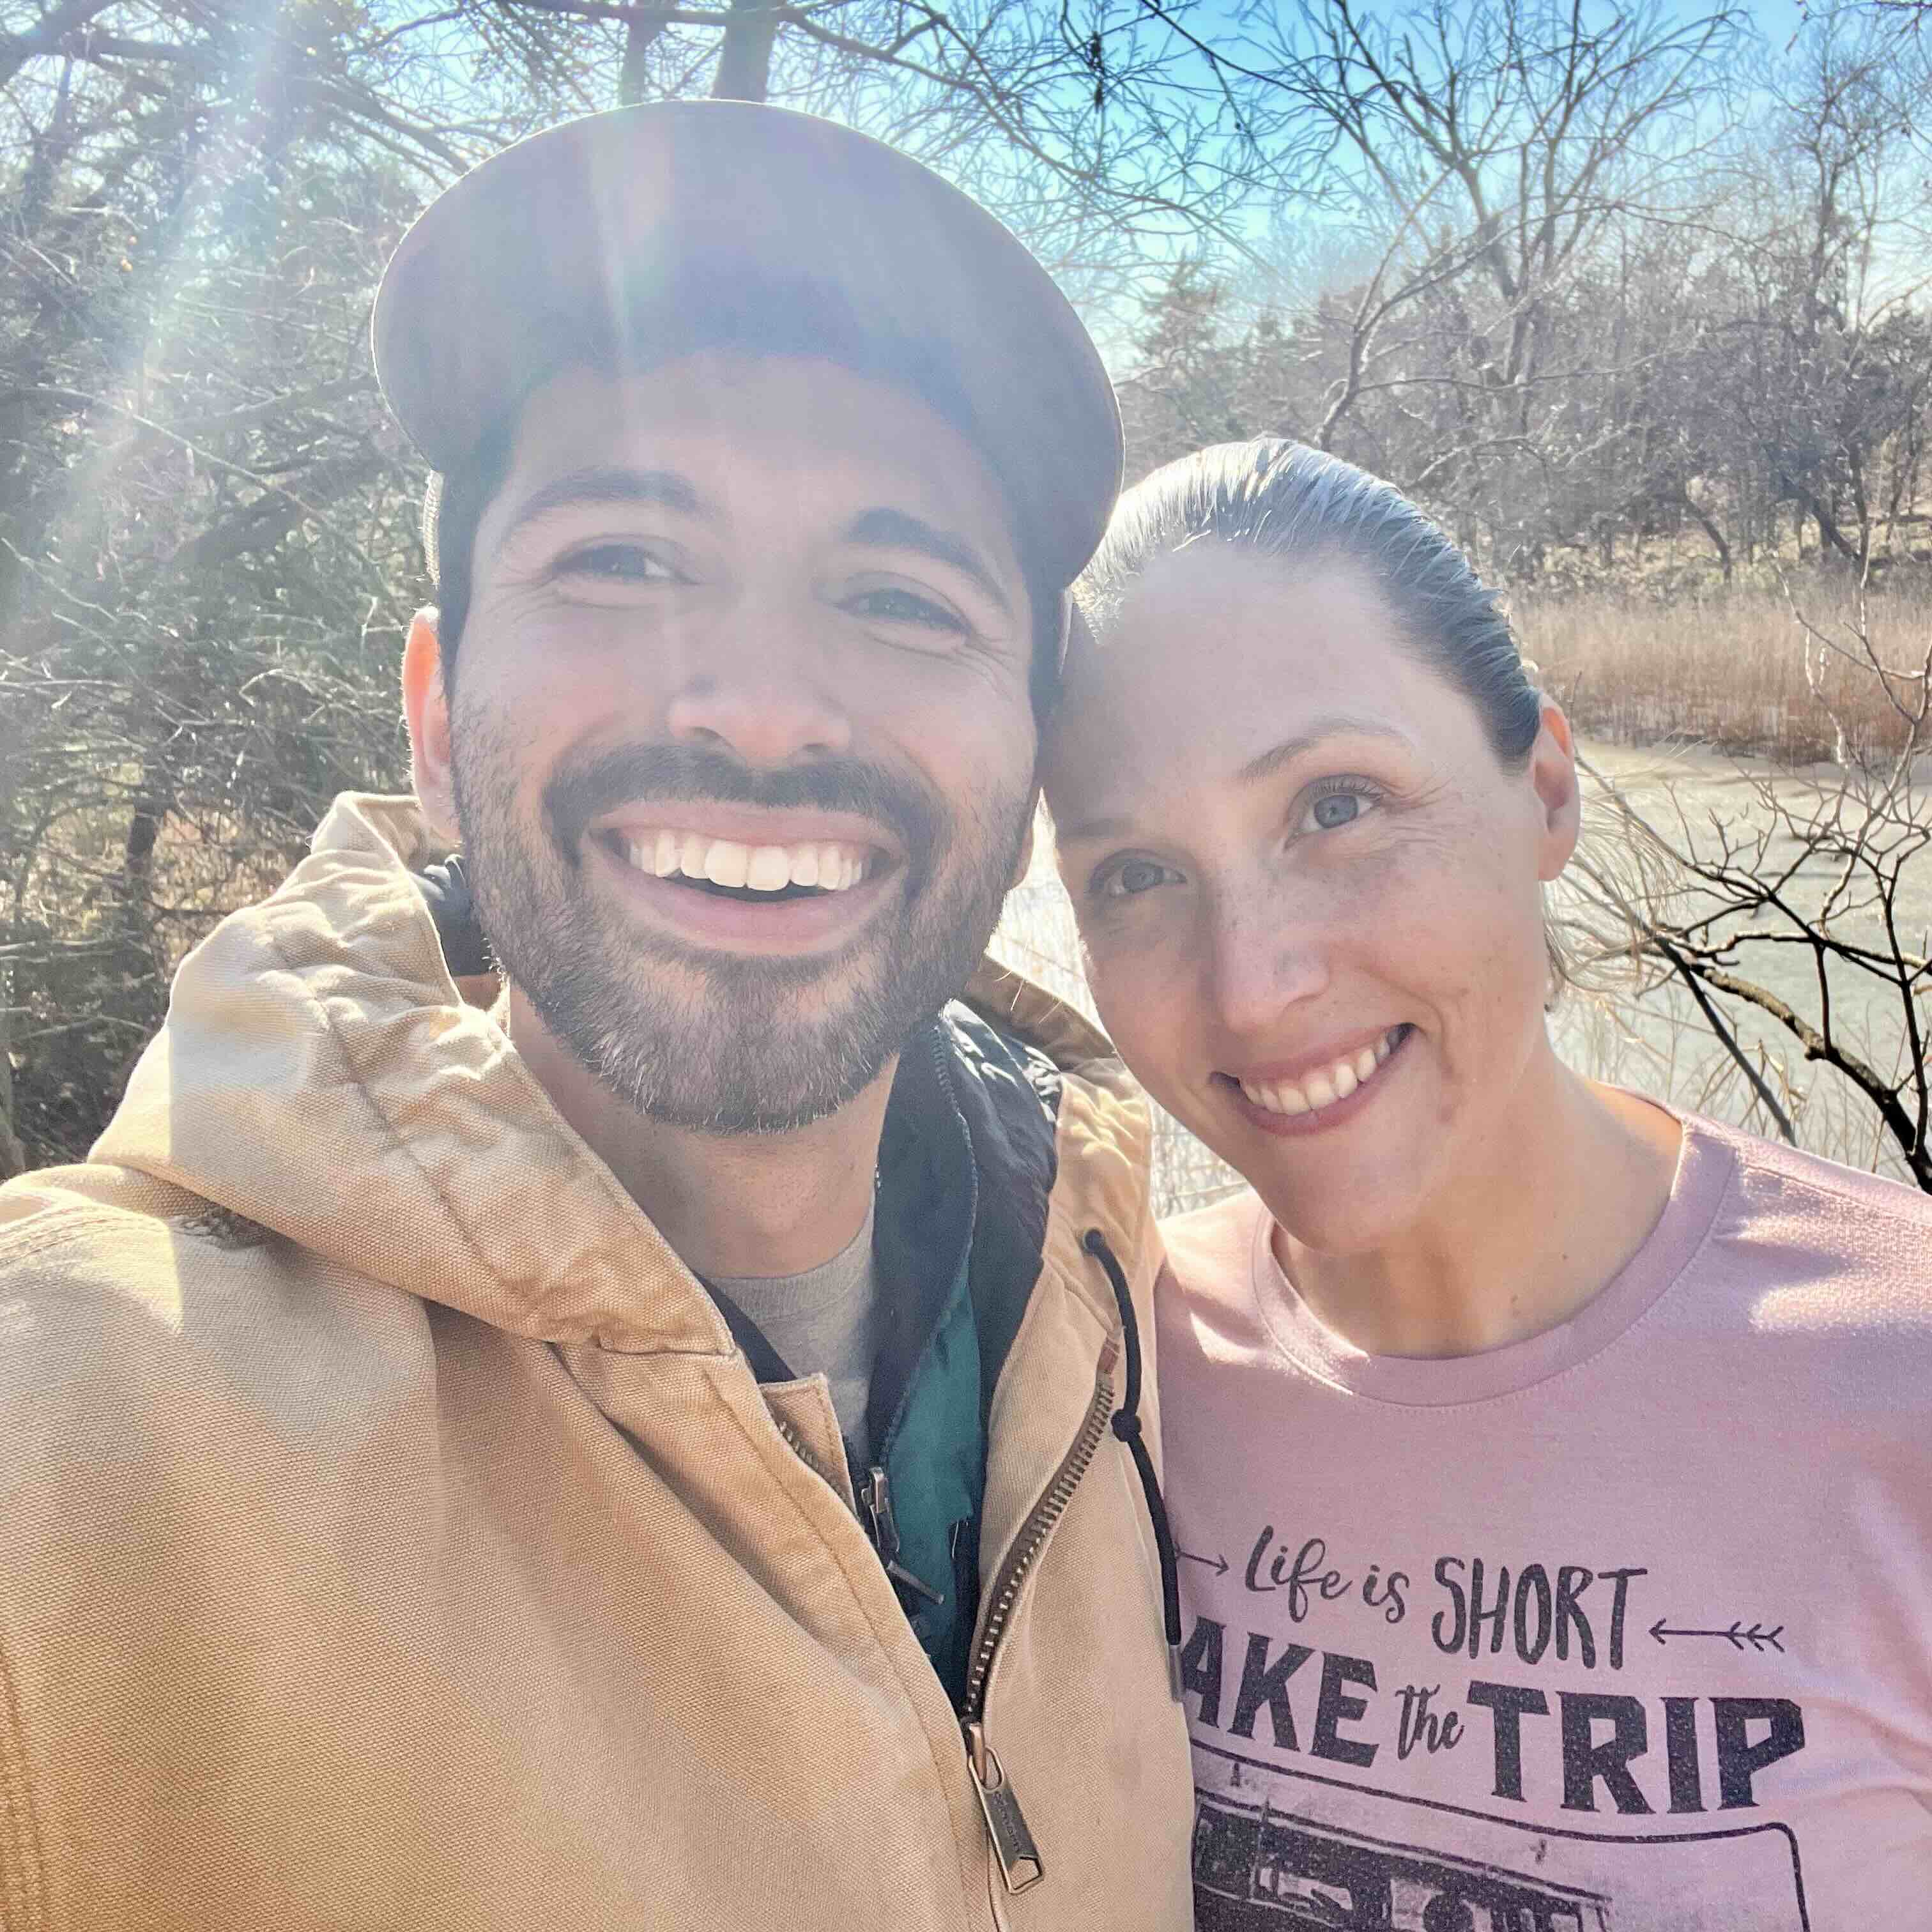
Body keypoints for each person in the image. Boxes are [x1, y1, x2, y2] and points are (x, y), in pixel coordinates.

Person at [0, 103, 1195, 1930]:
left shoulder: (1111, 1314)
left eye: (899, 596)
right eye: (621, 561)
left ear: (1029, 772)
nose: (766, 707)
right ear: (434, 716)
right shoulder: (83, 1428)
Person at [1041, 436, 1932, 1931]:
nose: (1251, 990)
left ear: (1549, 791)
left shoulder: (1894, 1377)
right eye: (1134, 874)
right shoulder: (1092, 1380)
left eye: (1335, 806)